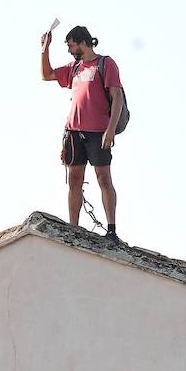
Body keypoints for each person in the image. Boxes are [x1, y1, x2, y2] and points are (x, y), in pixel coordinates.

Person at [41, 25, 125, 246]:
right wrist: (44, 49)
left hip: (98, 132)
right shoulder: (74, 68)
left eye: (71, 45)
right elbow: (47, 74)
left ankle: (111, 228)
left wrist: (110, 129)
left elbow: (116, 98)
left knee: (104, 178)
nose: (69, 50)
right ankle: (73, 228)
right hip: (74, 132)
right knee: (75, 179)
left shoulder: (105, 64)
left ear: (82, 42)